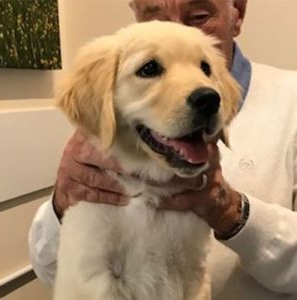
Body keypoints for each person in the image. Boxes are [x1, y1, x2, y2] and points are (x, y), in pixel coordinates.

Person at [29, 0, 297, 299]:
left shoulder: (290, 99)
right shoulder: (108, 119)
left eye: (198, 15)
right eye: (153, 15)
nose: (175, 31)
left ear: (237, 12)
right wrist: (62, 203)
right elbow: (47, 266)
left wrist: (231, 213)